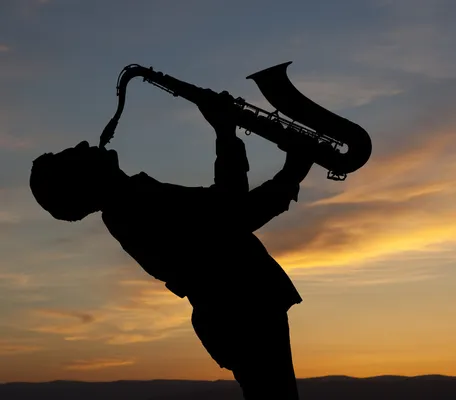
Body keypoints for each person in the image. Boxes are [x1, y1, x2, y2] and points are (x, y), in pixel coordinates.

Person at [29, 89, 314, 400]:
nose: (85, 144)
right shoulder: (133, 207)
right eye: (74, 154)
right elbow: (233, 213)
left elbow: (228, 213)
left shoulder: (130, 201)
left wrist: (239, 141)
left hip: (238, 312)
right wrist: (284, 168)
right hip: (241, 312)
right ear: (81, 180)